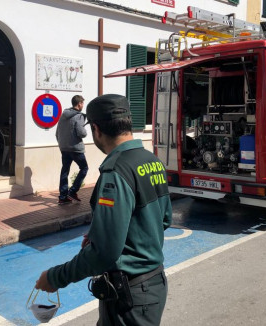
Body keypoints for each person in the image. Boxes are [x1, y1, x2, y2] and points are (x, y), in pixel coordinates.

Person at [36, 94, 172, 326]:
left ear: (96, 129)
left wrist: (54, 277)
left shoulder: (116, 171)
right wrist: (103, 234)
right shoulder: (152, 160)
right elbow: (164, 219)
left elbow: (104, 253)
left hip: (129, 295)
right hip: (153, 284)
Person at [56, 95, 89, 205]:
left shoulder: (63, 115)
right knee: (84, 168)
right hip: (75, 148)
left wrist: (62, 143)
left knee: (65, 170)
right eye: (82, 103)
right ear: (79, 103)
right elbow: (82, 133)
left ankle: (63, 196)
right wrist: (85, 129)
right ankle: (73, 191)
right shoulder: (78, 116)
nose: (83, 105)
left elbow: (57, 133)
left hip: (64, 148)